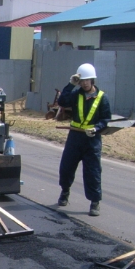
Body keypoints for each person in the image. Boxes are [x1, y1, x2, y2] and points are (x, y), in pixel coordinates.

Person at [56, 63, 112, 216]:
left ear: (92, 80)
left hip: (92, 140)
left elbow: (106, 118)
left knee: (92, 172)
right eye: (81, 81)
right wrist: (70, 84)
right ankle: (65, 192)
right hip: (75, 137)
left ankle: (95, 203)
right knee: (66, 168)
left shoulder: (102, 97)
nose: (84, 83)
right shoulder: (75, 94)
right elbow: (62, 102)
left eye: (87, 80)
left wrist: (96, 128)